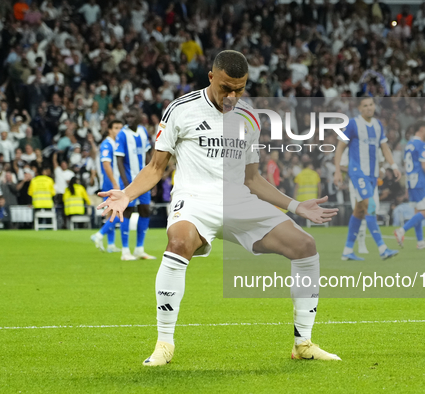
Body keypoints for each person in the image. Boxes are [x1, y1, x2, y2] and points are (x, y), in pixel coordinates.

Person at [98, 50, 340, 366]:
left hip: (240, 201)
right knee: (179, 242)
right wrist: (127, 194)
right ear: (211, 77)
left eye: (240, 88)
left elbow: (253, 179)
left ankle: (303, 343)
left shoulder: (250, 117)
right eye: (226, 87)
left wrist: (295, 206)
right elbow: (157, 167)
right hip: (195, 202)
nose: (232, 95)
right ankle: (164, 344)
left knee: (305, 246)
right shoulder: (179, 110)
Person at [333, 97, 400, 261]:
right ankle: (382, 248)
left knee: (359, 211)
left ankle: (347, 250)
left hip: (372, 175)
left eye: (371, 104)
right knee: (370, 206)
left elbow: (384, 148)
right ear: (359, 109)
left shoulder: (378, 125)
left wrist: (394, 165)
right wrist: (337, 171)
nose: (369, 108)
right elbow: (339, 148)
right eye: (365, 105)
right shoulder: (352, 124)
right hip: (358, 172)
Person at [394, 121, 425, 250]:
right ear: (421, 129)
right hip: (420, 181)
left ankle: (420, 242)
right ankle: (401, 230)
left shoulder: (409, 145)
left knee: (418, 211)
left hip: (410, 181)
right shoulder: (422, 145)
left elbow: (406, 164)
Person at [114, 107, 155, 261]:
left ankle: (139, 249)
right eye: (127, 116)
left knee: (145, 210)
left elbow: (147, 156)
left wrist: (152, 178)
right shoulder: (123, 134)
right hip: (129, 180)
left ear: (139, 117)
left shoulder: (143, 132)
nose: (129, 119)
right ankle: (125, 251)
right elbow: (119, 159)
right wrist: (125, 183)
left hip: (143, 180)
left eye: (132, 116)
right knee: (127, 212)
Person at [91, 119, 123, 253]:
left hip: (113, 182)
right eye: (116, 128)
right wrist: (115, 183)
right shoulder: (107, 144)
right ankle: (98, 235)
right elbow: (106, 164)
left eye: (120, 128)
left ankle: (110, 245)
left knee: (112, 212)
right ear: (109, 129)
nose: (119, 131)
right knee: (121, 212)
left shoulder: (115, 144)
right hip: (111, 183)